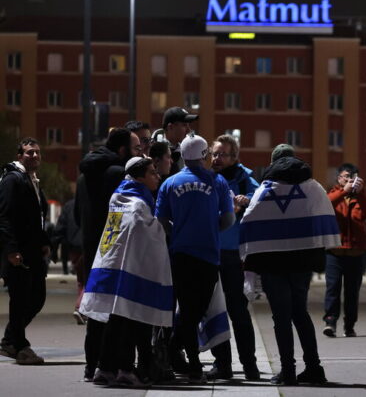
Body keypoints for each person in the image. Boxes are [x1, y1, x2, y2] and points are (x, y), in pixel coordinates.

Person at [240, 153, 339, 386]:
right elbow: (322, 214)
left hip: (273, 263)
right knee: (300, 313)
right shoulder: (311, 187)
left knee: (281, 317)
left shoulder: (267, 189)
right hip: (302, 261)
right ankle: (314, 368)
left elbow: (249, 218)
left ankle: (288, 371)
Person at [80, 157, 171, 388]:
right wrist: (165, 227)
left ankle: (105, 367)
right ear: (140, 177)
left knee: (115, 319)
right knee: (127, 319)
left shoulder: (118, 197)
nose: (157, 176)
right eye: (152, 173)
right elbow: (150, 234)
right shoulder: (138, 203)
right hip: (128, 269)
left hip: (109, 265)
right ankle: (125, 369)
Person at [155, 135, 234, 383]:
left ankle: (182, 358)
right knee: (195, 312)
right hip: (209, 255)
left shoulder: (169, 183)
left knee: (187, 310)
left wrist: (178, 232)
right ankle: (192, 365)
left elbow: (160, 220)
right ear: (204, 155)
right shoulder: (217, 181)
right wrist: (210, 229)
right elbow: (229, 219)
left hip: (180, 255)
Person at [75, 127, 140, 380]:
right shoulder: (117, 174)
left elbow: (77, 215)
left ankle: (91, 364)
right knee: (116, 311)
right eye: (135, 149)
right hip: (114, 249)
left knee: (95, 309)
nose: (138, 154)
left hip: (92, 248)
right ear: (122, 150)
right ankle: (111, 364)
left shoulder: (84, 176)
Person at [206, 135, 260, 381]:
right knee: (214, 310)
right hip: (210, 252)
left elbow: (260, 202)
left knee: (238, 311)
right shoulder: (206, 178)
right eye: (214, 154)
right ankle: (222, 364)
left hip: (233, 254)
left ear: (234, 157)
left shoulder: (245, 179)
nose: (216, 159)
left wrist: (247, 202)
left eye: (222, 154)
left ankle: (250, 365)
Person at [0, 138, 50, 365]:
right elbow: (5, 216)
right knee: (20, 299)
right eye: (30, 153)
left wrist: (44, 241)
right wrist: (11, 250)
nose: (35, 156)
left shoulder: (31, 180)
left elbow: (37, 216)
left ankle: (10, 339)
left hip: (33, 252)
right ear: (20, 155)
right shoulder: (13, 179)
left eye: (37, 152)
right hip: (19, 253)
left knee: (37, 297)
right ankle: (20, 346)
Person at [323, 163, 366, 338]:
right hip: (335, 252)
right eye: (345, 176)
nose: (349, 180)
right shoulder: (333, 194)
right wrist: (344, 191)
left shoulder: (360, 197)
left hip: (356, 252)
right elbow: (326, 205)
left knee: (352, 292)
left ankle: (350, 325)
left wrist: (359, 192)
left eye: (352, 177)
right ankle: (330, 322)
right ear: (339, 178)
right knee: (333, 289)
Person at [55, 198, 85, 324]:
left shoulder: (69, 205)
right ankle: (81, 307)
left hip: (73, 247)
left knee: (80, 278)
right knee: (89, 277)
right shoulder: (98, 201)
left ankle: (81, 306)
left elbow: (61, 225)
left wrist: (56, 243)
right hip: (88, 243)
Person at [153, 107, 198, 178]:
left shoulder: (185, 151)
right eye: (184, 125)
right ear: (170, 127)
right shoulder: (151, 151)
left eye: (188, 125)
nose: (188, 130)